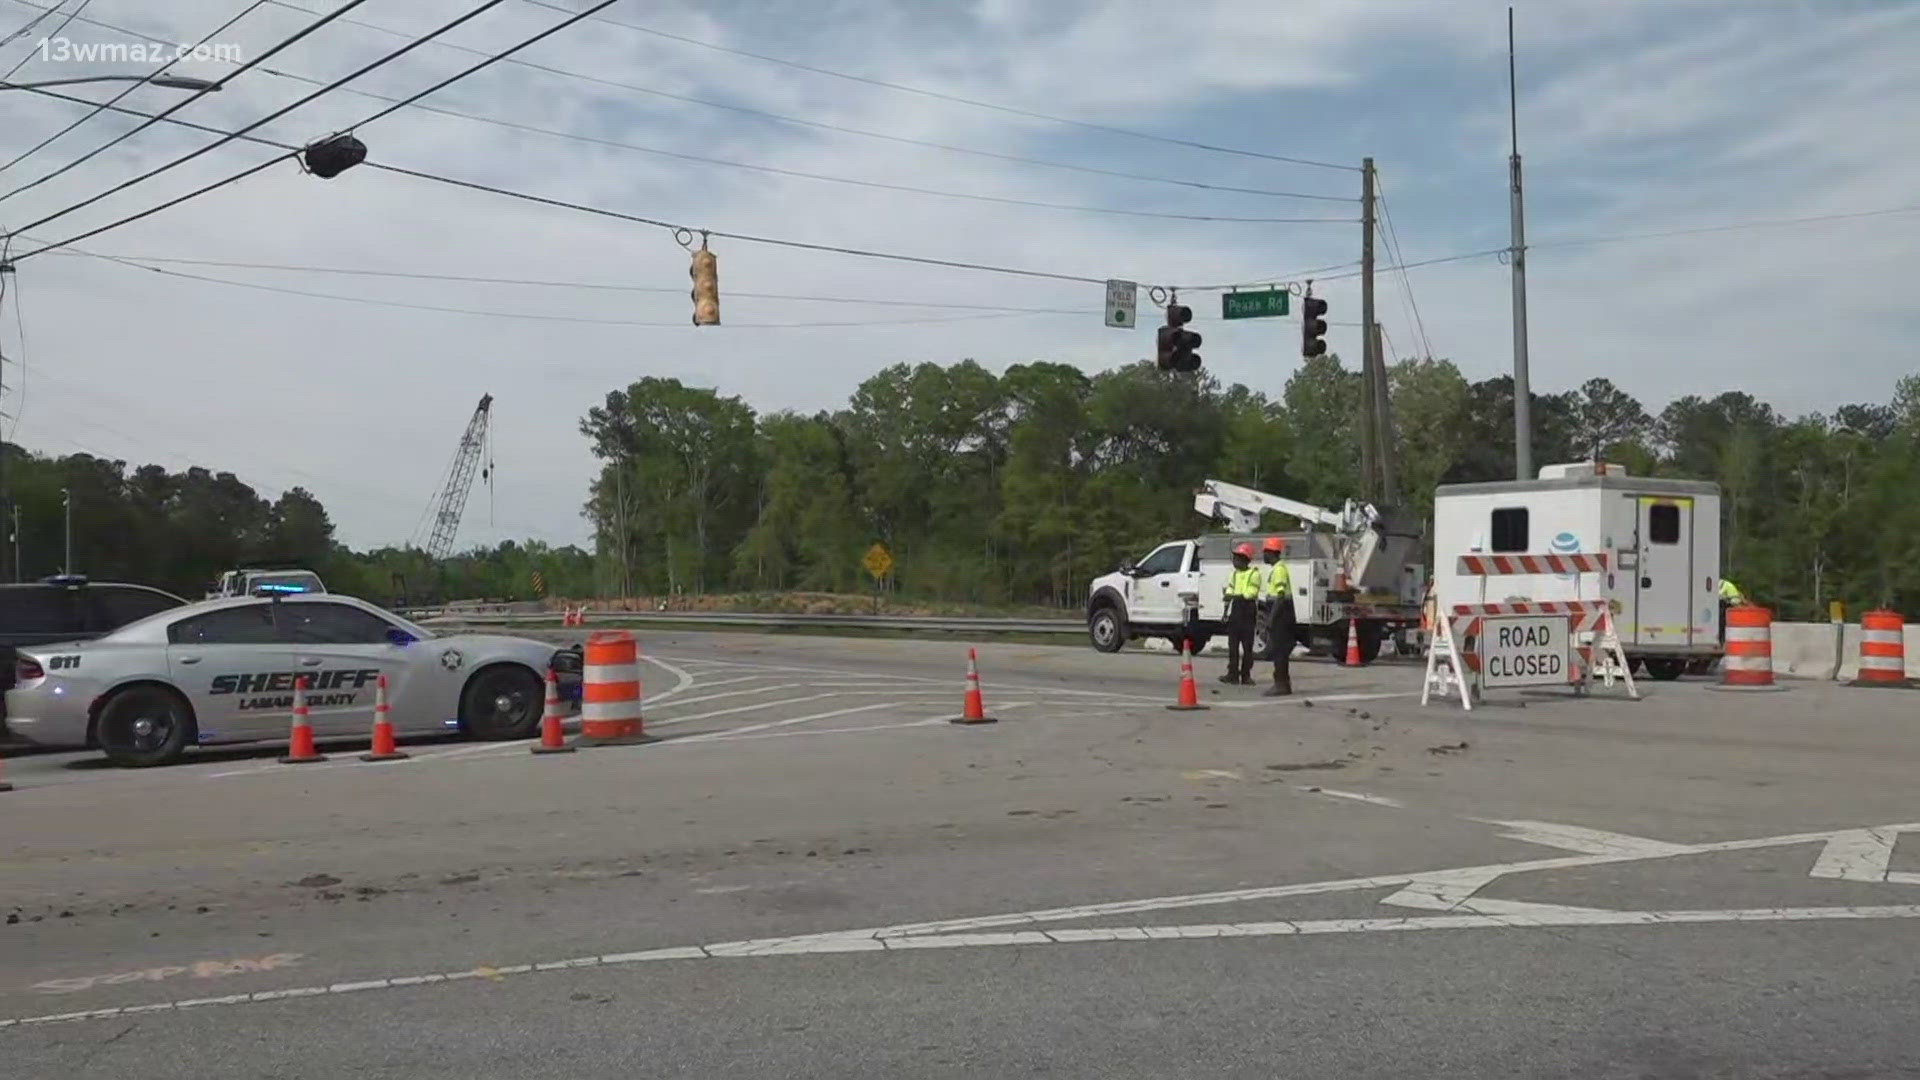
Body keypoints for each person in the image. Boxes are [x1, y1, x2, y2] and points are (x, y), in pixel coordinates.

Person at [1258, 536, 1297, 697]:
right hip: (1279, 611)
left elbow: (1280, 596)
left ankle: (1281, 684)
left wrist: (1271, 619)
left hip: (1281, 613)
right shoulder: (1276, 568)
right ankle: (1282, 683)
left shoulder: (1279, 569)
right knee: (1278, 649)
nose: (1263, 555)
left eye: (1265, 552)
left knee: (1279, 650)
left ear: (1271, 552)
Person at [1220, 542, 1261, 685]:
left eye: (1237, 558)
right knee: (1233, 645)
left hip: (1247, 610)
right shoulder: (1234, 574)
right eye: (1234, 558)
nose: (1234, 561)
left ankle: (1246, 675)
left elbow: (1250, 594)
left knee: (1247, 646)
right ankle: (1232, 673)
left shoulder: (1254, 574)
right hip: (1236, 610)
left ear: (1245, 560)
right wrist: (1225, 611)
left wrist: (1232, 596)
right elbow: (1230, 591)